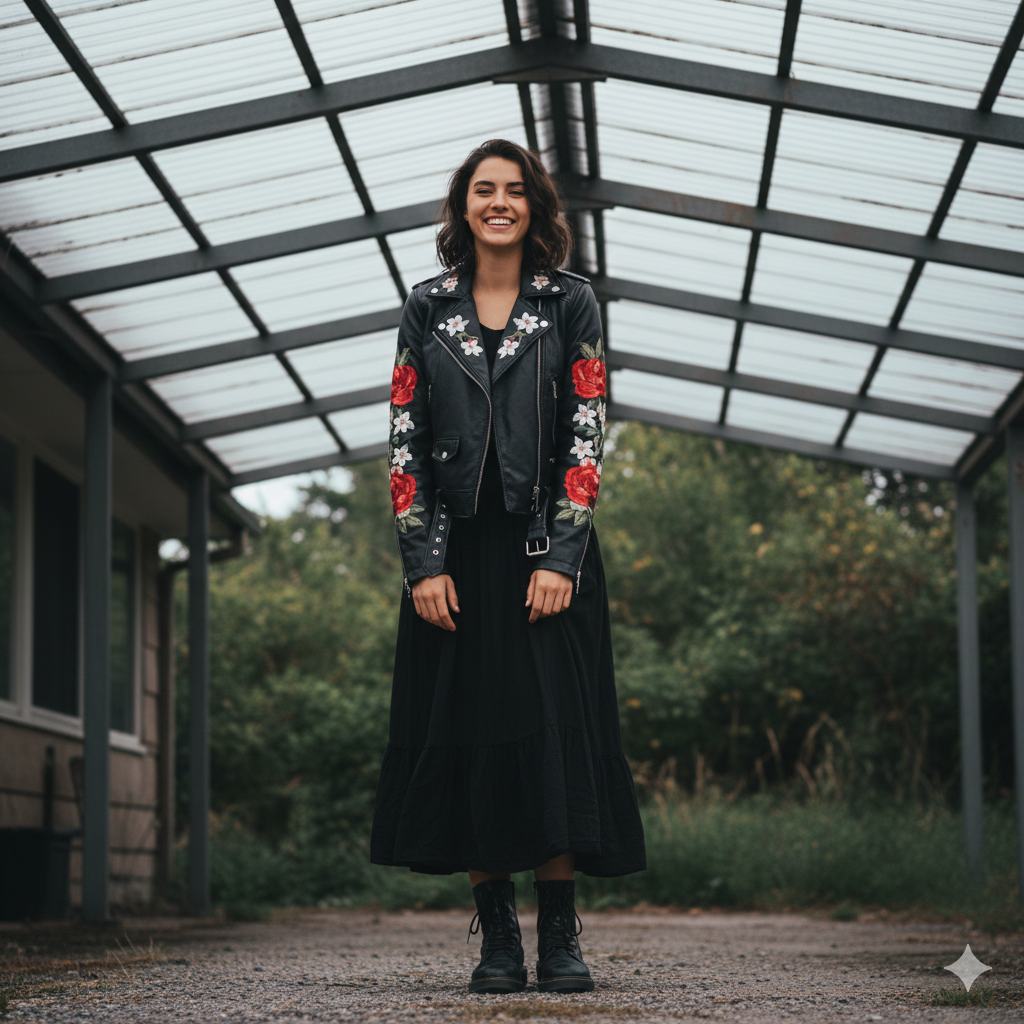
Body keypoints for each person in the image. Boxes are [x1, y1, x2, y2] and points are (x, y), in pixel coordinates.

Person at [370, 139, 646, 994]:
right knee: (469, 738)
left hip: (545, 558)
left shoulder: (570, 304)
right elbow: (405, 436)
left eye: (514, 191)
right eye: (483, 190)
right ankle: (497, 942)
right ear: (462, 206)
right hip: (454, 562)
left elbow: (587, 427)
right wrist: (422, 563)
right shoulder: (426, 306)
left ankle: (560, 941)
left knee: (554, 735)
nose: (499, 203)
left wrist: (564, 551)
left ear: (535, 207)